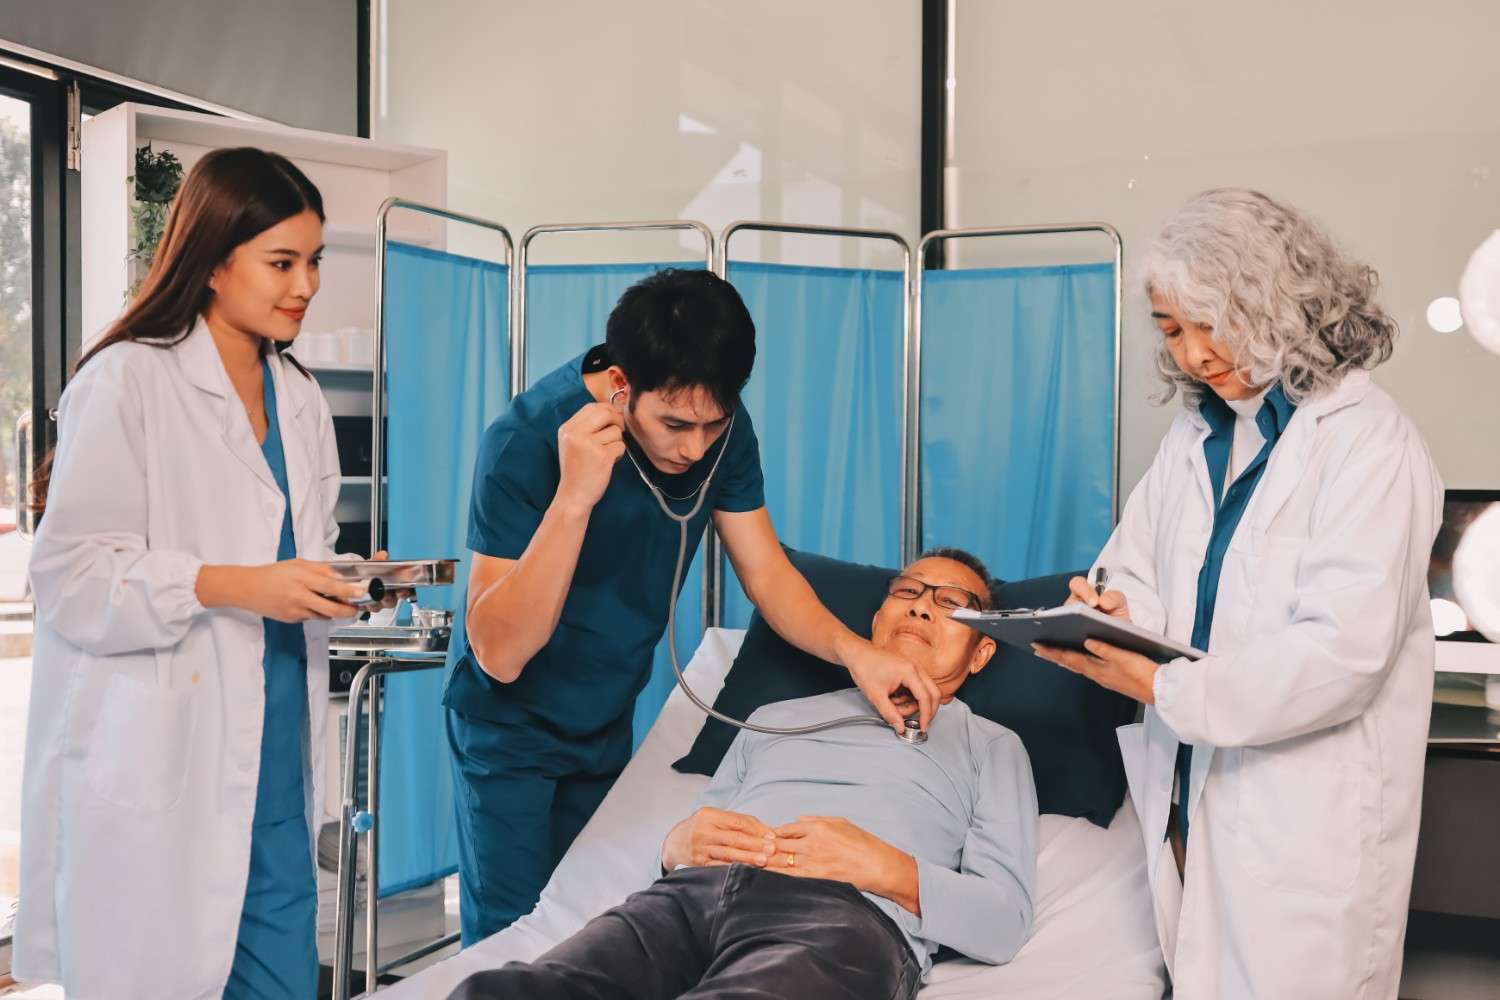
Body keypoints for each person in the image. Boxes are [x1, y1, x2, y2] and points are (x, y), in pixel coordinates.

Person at [447, 268, 944, 945]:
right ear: (621, 387)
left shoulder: (723, 434)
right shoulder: (526, 442)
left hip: (605, 717)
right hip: (510, 729)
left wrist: (860, 655)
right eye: (674, 423)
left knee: (588, 930)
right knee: (514, 945)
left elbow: (767, 573)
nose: (693, 447)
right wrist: (573, 499)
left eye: (712, 425)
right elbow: (500, 655)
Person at [1031, 188, 1443, 998]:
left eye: (1209, 323)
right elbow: (1140, 571)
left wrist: (1162, 683)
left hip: (1304, 819)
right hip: (1194, 793)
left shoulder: (1368, 443)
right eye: (1172, 330)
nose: (1191, 355)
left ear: (1276, 303)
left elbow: (1343, 653)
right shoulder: (1199, 436)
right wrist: (1116, 613)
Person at [14, 148, 381, 999]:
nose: (308, 284)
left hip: (275, 766)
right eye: (282, 263)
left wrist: (344, 581)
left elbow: (303, 548)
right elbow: (70, 577)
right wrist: (232, 584)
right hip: (163, 762)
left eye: (315, 260)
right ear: (214, 262)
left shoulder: (299, 397)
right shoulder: (128, 381)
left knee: (283, 979)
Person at [448, 549, 1037, 1000]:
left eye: (950, 600)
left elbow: (1003, 921)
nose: (922, 604)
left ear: (981, 653)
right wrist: (675, 846)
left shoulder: (989, 745)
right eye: (908, 590)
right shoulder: (774, 718)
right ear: (879, 615)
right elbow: (708, 823)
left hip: (844, 917)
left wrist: (882, 865)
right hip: (687, 898)